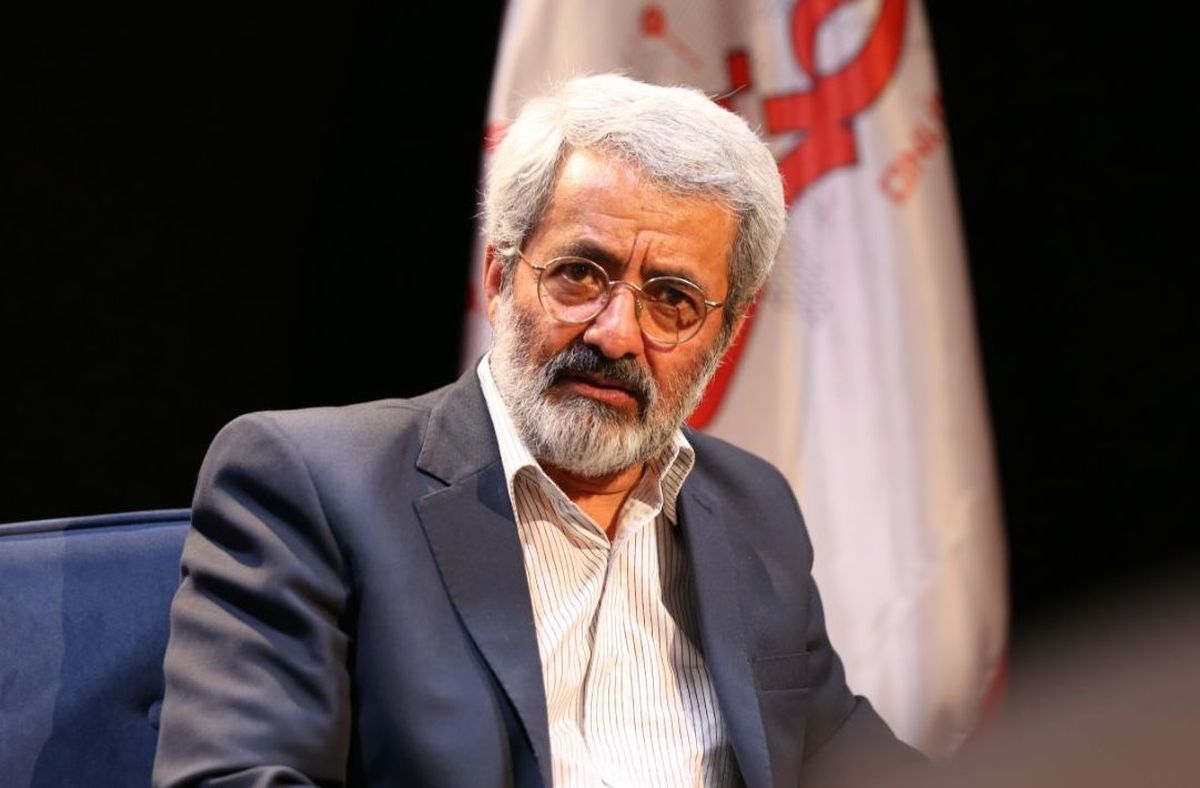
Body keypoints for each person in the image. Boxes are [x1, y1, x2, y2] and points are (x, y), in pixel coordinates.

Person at [153, 73, 920, 787]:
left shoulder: (753, 507)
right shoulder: (315, 484)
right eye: (580, 274)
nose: (616, 334)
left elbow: (846, 755)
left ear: (723, 335)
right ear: (498, 277)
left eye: (672, 299)